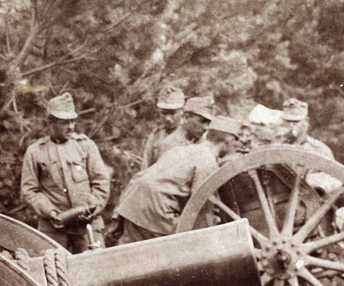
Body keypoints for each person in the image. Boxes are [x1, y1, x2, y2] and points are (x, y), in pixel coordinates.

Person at [114, 114, 241, 242]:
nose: (238, 145)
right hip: (156, 210)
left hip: (133, 201)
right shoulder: (208, 161)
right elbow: (200, 206)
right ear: (229, 139)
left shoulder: (182, 150)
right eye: (237, 140)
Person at [19, 92, 112, 253]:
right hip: (53, 231)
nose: (70, 127)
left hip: (88, 227)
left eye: (72, 122)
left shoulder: (86, 146)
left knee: (98, 271)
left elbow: (101, 183)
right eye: (64, 123)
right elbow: (29, 191)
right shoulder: (35, 152)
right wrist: (50, 212)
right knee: (50, 272)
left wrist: (91, 208)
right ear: (50, 122)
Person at [140, 85, 188, 169]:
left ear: (182, 111)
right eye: (164, 113)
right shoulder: (155, 136)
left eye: (172, 113)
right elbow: (145, 167)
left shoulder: (190, 135)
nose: (167, 118)